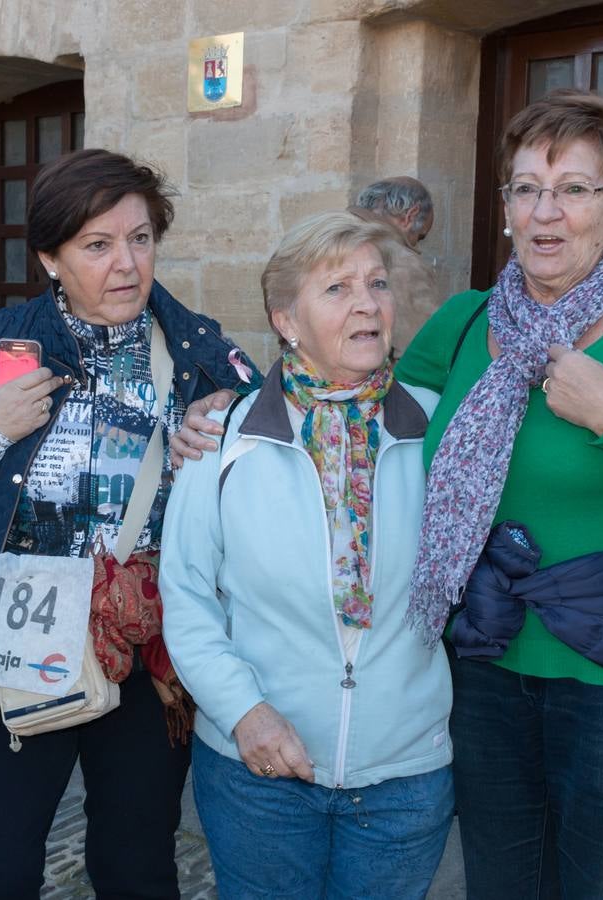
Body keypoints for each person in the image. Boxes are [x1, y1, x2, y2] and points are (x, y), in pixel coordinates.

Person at [174, 90, 603, 899]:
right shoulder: (464, 323)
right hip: (482, 669)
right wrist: (228, 413)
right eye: (525, 189)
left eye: (573, 189)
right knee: (501, 882)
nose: (544, 213)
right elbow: (354, 400)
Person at [0, 148, 256, 899]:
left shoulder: (200, 351)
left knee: (136, 865)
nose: (126, 263)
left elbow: (271, 485)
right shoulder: (7, 344)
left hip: (146, 648)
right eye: (97, 245)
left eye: (140, 238)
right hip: (18, 641)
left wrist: (231, 428)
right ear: (50, 257)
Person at [159, 211, 453, 899]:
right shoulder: (221, 440)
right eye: (337, 288)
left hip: (403, 777)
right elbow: (188, 596)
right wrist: (242, 713)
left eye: (376, 283)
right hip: (257, 771)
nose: (366, 304)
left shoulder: (439, 428)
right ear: (285, 319)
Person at [352, 176, 439, 354]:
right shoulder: (403, 262)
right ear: (410, 216)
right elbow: (422, 347)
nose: (417, 247)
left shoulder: (314, 235)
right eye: (420, 237)